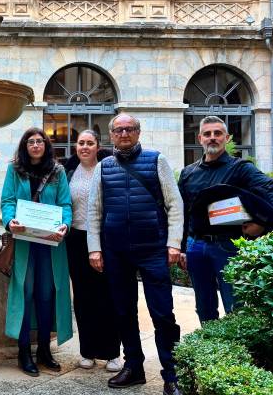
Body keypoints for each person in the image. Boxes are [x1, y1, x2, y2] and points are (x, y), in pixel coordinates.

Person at [87, 113, 184, 395]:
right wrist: (95, 248)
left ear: (138, 132)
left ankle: (171, 373)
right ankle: (134, 367)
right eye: (119, 130)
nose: (124, 133)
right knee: (123, 311)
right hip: (116, 251)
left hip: (153, 249)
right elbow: (94, 210)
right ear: (112, 134)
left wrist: (174, 243)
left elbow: (174, 205)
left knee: (163, 313)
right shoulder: (103, 167)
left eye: (129, 129)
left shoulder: (157, 160)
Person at [178, 115, 273, 323]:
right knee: (203, 307)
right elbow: (183, 213)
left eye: (218, 133)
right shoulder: (188, 173)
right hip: (196, 246)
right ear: (200, 138)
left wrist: (261, 223)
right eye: (207, 134)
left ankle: (236, 352)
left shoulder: (241, 169)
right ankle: (211, 350)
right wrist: (182, 247)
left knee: (234, 306)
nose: (212, 138)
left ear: (226, 138)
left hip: (228, 246)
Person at [1, 127, 73, 377]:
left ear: (46, 145)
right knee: (25, 292)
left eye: (39, 141)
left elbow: (65, 203)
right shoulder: (14, 170)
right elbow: (7, 201)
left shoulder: (57, 171)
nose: (35, 145)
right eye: (30, 141)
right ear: (24, 145)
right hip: (24, 243)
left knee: (46, 295)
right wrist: (10, 221)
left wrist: (65, 223)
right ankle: (24, 352)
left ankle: (44, 349)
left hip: (50, 244)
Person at [63, 130, 122, 372]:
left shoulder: (108, 168)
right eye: (81, 143)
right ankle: (87, 351)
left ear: (98, 146)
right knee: (83, 297)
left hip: (104, 239)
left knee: (107, 296)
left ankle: (111, 353)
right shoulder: (68, 171)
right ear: (75, 146)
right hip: (76, 239)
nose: (85, 147)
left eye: (90, 143)